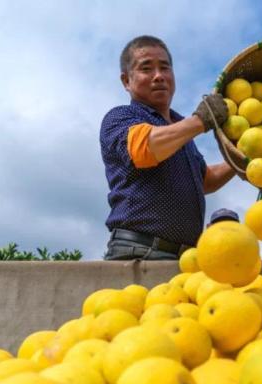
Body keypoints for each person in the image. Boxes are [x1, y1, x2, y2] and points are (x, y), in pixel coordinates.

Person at [100, 35, 235, 261]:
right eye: (146, 68)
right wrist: (200, 121)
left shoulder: (180, 129)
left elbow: (204, 180)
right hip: (138, 252)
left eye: (165, 68)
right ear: (126, 81)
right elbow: (144, 148)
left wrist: (240, 161)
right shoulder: (121, 117)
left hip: (186, 258)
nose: (159, 76)